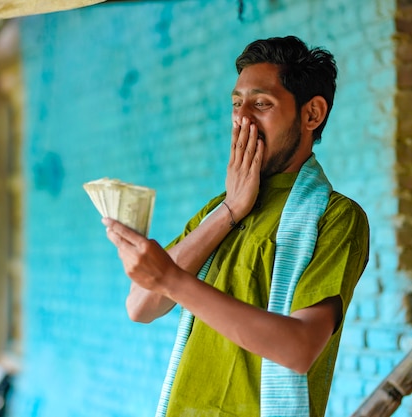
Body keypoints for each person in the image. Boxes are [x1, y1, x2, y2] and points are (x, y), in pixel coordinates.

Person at [102, 35, 369, 417]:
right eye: (236, 104)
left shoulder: (336, 217)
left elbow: (299, 348)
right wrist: (230, 210)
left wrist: (171, 279)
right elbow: (141, 306)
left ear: (312, 114)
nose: (242, 118)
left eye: (262, 104)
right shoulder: (219, 209)